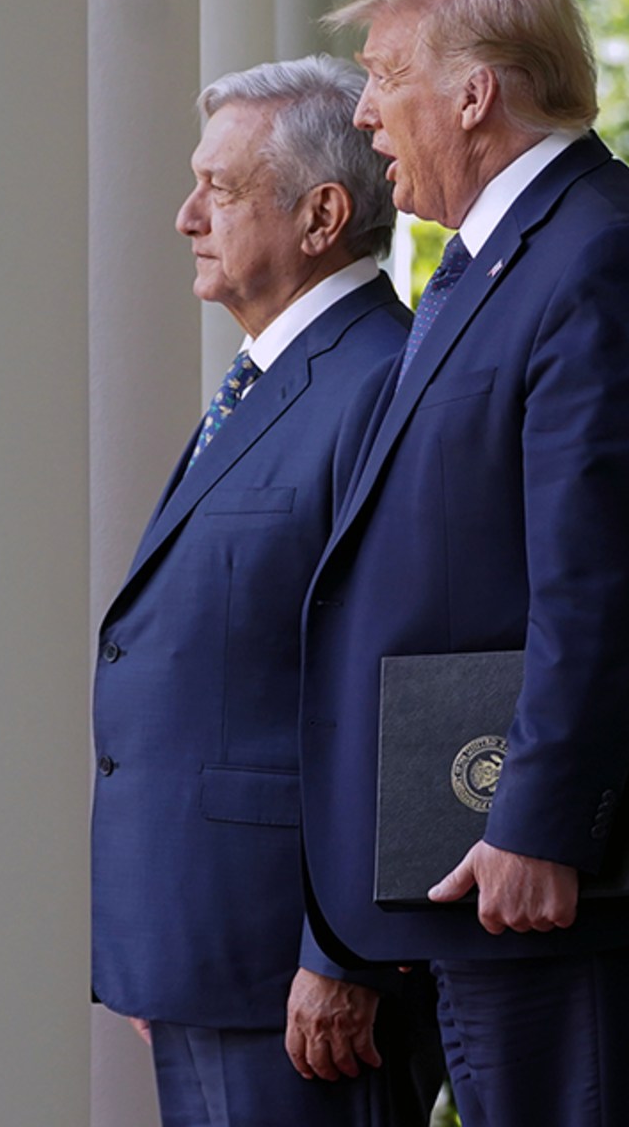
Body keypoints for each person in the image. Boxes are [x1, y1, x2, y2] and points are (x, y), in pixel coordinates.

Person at [297, 0, 629, 1124]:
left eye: (385, 75)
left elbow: (600, 580)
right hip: (489, 869)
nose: (363, 112)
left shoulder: (603, 256)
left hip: (567, 877)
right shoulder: (503, 261)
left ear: (475, 94)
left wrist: (537, 821)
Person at [92, 56, 446, 1127]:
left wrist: (346, 952)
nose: (187, 216)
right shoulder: (272, 379)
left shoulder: (383, 381)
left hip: (303, 977)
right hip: (211, 948)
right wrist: (162, 932)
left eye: (222, 188)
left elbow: (403, 683)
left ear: (322, 215)